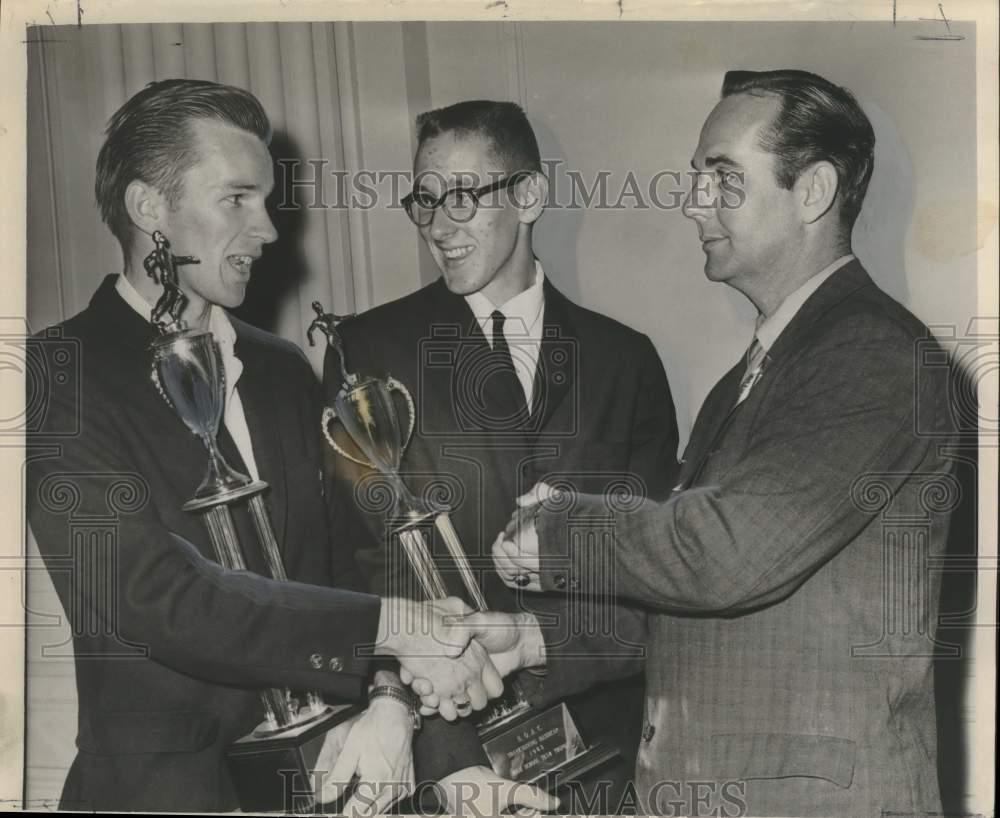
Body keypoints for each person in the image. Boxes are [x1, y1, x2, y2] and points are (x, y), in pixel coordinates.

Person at [479, 69, 959, 816]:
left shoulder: (875, 354)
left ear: (814, 192)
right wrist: (536, 643)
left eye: (723, 177)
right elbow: (685, 599)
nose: (693, 201)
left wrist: (556, 528)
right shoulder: (758, 371)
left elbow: (724, 554)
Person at [25, 78, 499, 814]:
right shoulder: (58, 374)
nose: (270, 231)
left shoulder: (281, 368)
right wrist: (394, 629)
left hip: (327, 785)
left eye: (267, 201)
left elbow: (358, 560)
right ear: (150, 209)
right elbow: (152, 595)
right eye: (236, 199)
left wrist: (390, 700)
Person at [326, 100, 679, 814]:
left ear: (528, 195)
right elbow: (366, 563)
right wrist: (444, 758)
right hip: (445, 756)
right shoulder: (369, 349)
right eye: (423, 200)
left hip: (601, 756)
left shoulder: (626, 360)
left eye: (460, 196)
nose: (436, 225)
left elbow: (652, 574)